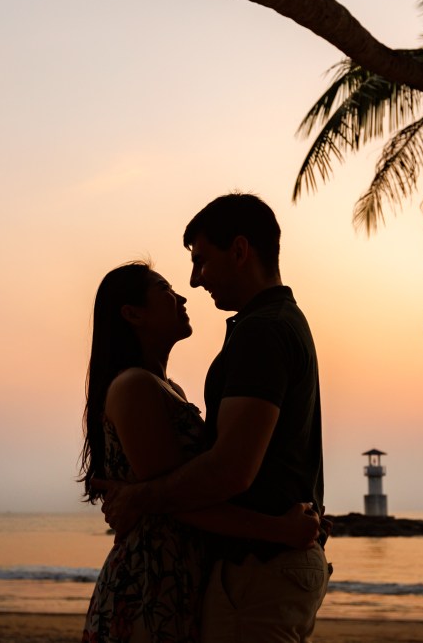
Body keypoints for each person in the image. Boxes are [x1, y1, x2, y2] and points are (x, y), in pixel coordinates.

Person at [97, 194, 329, 643]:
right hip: (192, 574)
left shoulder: (262, 331)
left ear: (240, 251)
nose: (193, 282)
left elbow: (229, 471)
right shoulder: (272, 326)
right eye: (172, 284)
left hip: (252, 569)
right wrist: (286, 523)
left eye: (201, 262)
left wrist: (139, 497)